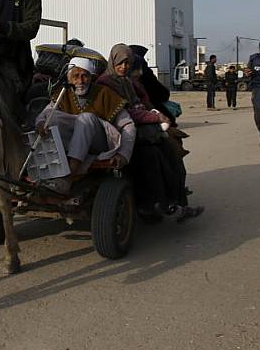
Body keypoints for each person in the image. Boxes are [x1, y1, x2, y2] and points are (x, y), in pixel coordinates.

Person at [96, 44, 201, 220]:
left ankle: (176, 204)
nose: (124, 67)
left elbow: (142, 102)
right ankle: (156, 205)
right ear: (112, 62)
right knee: (152, 156)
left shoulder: (127, 81)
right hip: (119, 134)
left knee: (170, 153)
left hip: (139, 131)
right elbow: (123, 113)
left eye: (127, 63)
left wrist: (155, 114)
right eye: (120, 63)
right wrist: (155, 117)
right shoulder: (105, 84)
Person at [34, 56, 136, 194]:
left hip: (100, 146)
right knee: (51, 117)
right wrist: (40, 123)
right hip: (73, 144)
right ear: (69, 78)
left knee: (85, 119)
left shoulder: (104, 93)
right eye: (75, 76)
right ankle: (47, 174)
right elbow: (44, 114)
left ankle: (69, 177)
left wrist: (124, 154)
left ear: (91, 77)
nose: (80, 81)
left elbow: (128, 125)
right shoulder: (63, 93)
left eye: (85, 76)